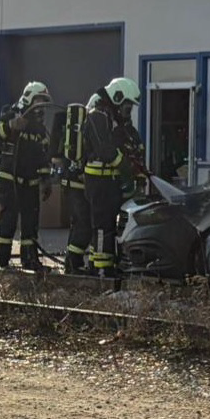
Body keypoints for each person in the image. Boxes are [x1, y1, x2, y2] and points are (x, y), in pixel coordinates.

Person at [0, 81, 53, 270]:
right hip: (10, 179)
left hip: (30, 182)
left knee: (31, 223)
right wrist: (10, 126)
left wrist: (46, 179)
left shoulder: (40, 129)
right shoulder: (13, 114)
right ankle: (2, 260)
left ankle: (30, 260)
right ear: (29, 99)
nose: (41, 108)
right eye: (39, 102)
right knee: (8, 219)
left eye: (44, 104)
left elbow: (42, 156)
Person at [83, 77, 144, 277]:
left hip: (110, 181)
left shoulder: (115, 119)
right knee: (102, 226)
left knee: (110, 225)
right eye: (127, 108)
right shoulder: (97, 116)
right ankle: (102, 269)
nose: (128, 113)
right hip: (99, 181)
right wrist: (126, 167)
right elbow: (105, 149)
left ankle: (99, 264)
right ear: (117, 98)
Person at [49, 94, 99, 274]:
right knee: (84, 225)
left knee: (81, 224)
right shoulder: (88, 128)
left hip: (73, 184)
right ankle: (73, 263)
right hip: (78, 184)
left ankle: (75, 263)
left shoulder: (81, 128)